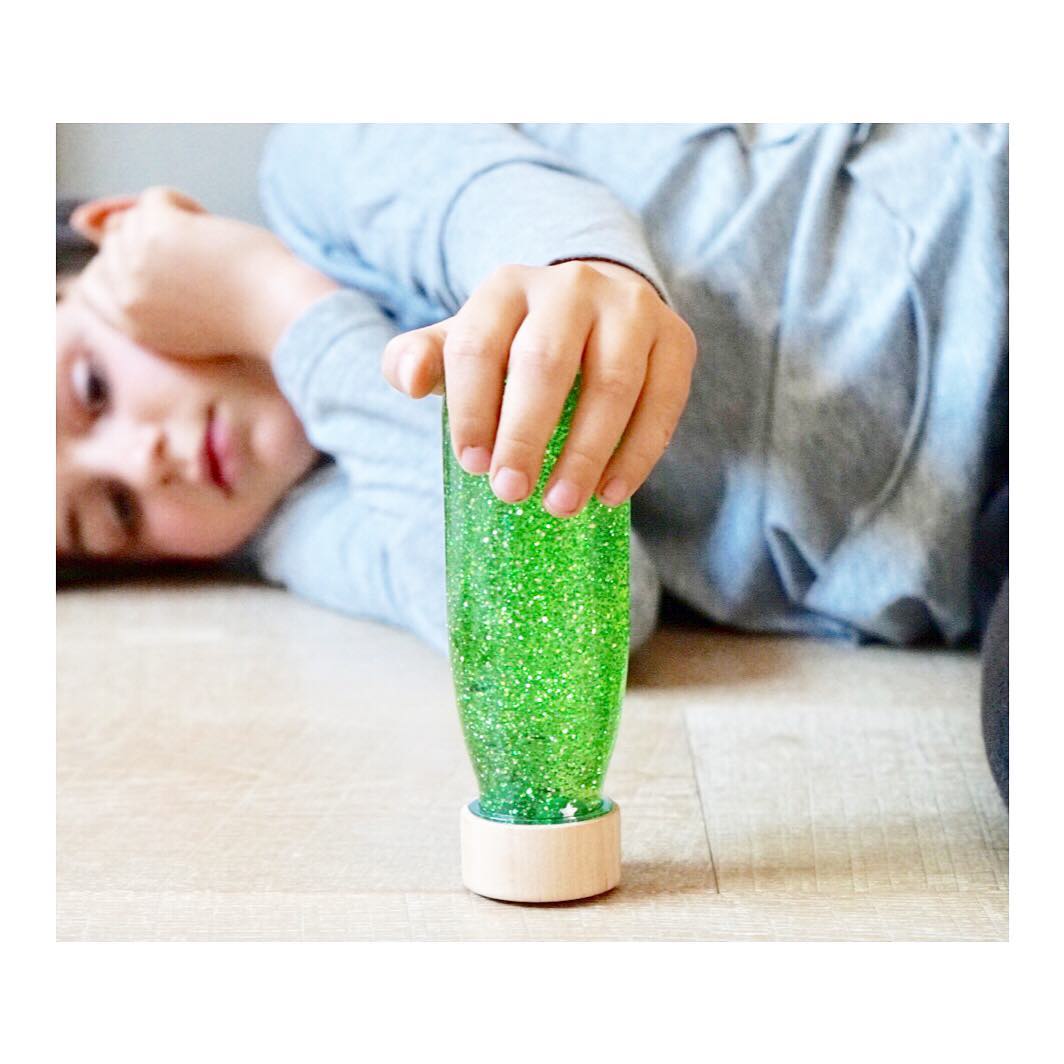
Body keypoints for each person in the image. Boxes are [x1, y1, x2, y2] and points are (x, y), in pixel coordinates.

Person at [56, 123, 1008, 799]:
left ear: (133, 236)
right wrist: (286, 317)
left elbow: (503, 205)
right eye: (114, 512)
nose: (146, 458)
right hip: (986, 541)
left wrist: (261, 280)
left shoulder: (322, 163)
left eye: (91, 389)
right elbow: (600, 621)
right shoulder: (312, 529)